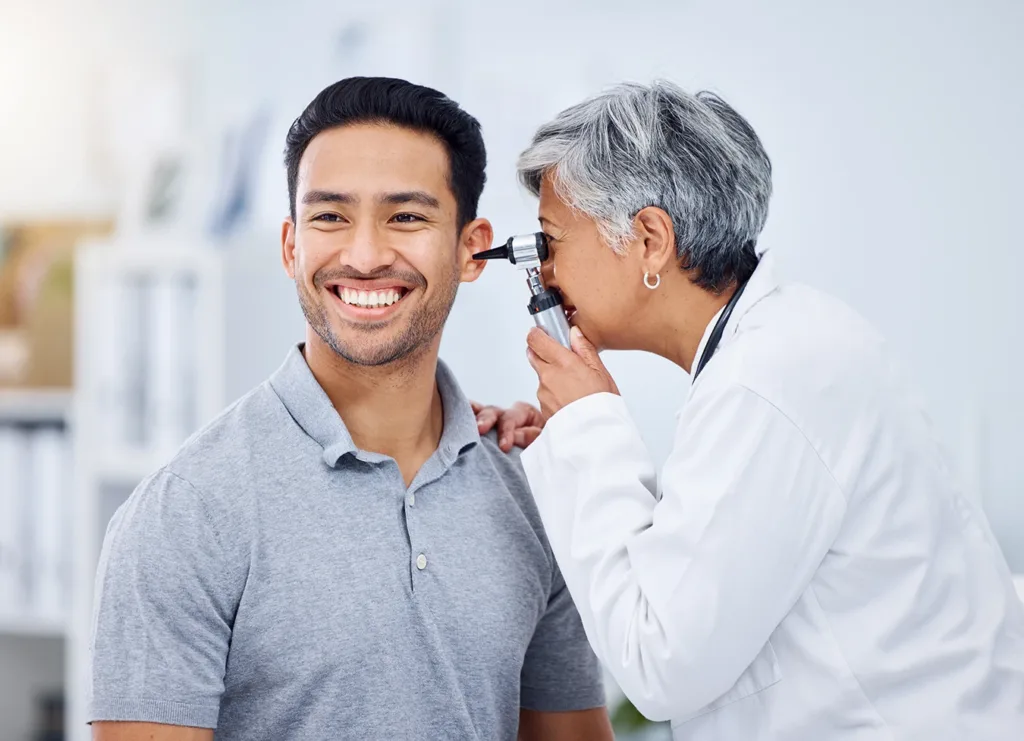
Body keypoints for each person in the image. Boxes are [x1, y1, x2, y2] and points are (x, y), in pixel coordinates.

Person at [475, 80, 1024, 740]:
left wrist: (590, 428)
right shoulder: (778, 351)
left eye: (551, 241)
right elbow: (706, 569)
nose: (543, 275)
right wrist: (564, 446)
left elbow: (659, 663)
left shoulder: (770, 380)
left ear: (650, 239)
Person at [89, 77, 612, 741]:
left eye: (406, 217)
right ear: (291, 246)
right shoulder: (186, 512)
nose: (364, 255)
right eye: (330, 217)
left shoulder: (529, 489)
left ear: (470, 248)